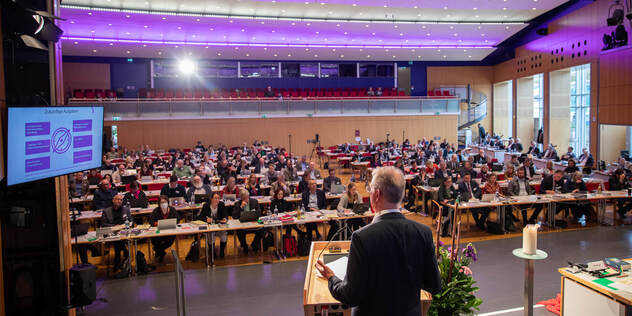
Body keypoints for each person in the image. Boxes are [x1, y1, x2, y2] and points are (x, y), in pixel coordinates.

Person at [315, 167, 441, 316]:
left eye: (371, 189)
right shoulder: (424, 232)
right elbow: (435, 286)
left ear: (377, 194)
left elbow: (350, 296)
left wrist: (331, 278)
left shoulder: (362, 237)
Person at [100, 194, 133, 270]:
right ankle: (124, 253)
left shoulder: (126, 210)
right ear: (113, 200)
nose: (119, 201)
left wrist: (123, 226)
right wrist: (115, 226)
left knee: (119, 240)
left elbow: (131, 220)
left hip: (123, 230)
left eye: (121, 200)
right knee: (117, 240)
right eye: (117, 199)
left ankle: (117, 260)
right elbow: (103, 223)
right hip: (112, 230)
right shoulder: (106, 211)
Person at [196, 192, 228, 257]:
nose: (217, 200)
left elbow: (225, 215)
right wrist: (206, 220)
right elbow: (199, 217)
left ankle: (222, 251)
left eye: (218, 198)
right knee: (211, 236)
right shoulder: (206, 206)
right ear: (211, 199)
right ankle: (212, 252)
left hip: (219, 226)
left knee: (224, 235)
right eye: (215, 198)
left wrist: (225, 218)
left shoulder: (221, 205)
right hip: (210, 227)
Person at [149, 195, 179, 262]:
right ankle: (161, 252)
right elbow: (151, 221)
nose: (163, 204)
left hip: (170, 231)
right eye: (161, 202)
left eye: (165, 202)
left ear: (168, 202)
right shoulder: (156, 211)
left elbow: (177, 220)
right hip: (158, 231)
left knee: (169, 241)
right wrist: (157, 223)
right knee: (154, 240)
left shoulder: (172, 210)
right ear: (159, 204)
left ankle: (159, 251)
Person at [232, 189, 263, 254]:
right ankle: (244, 246)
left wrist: (254, 213)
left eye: (247, 197)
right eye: (244, 198)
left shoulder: (254, 201)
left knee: (261, 230)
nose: (246, 199)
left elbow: (259, 213)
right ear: (241, 198)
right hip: (242, 224)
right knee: (239, 231)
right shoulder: (237, 204)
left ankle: (254, 245)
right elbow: (234, 216)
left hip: (253, 222)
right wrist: (241, 207)